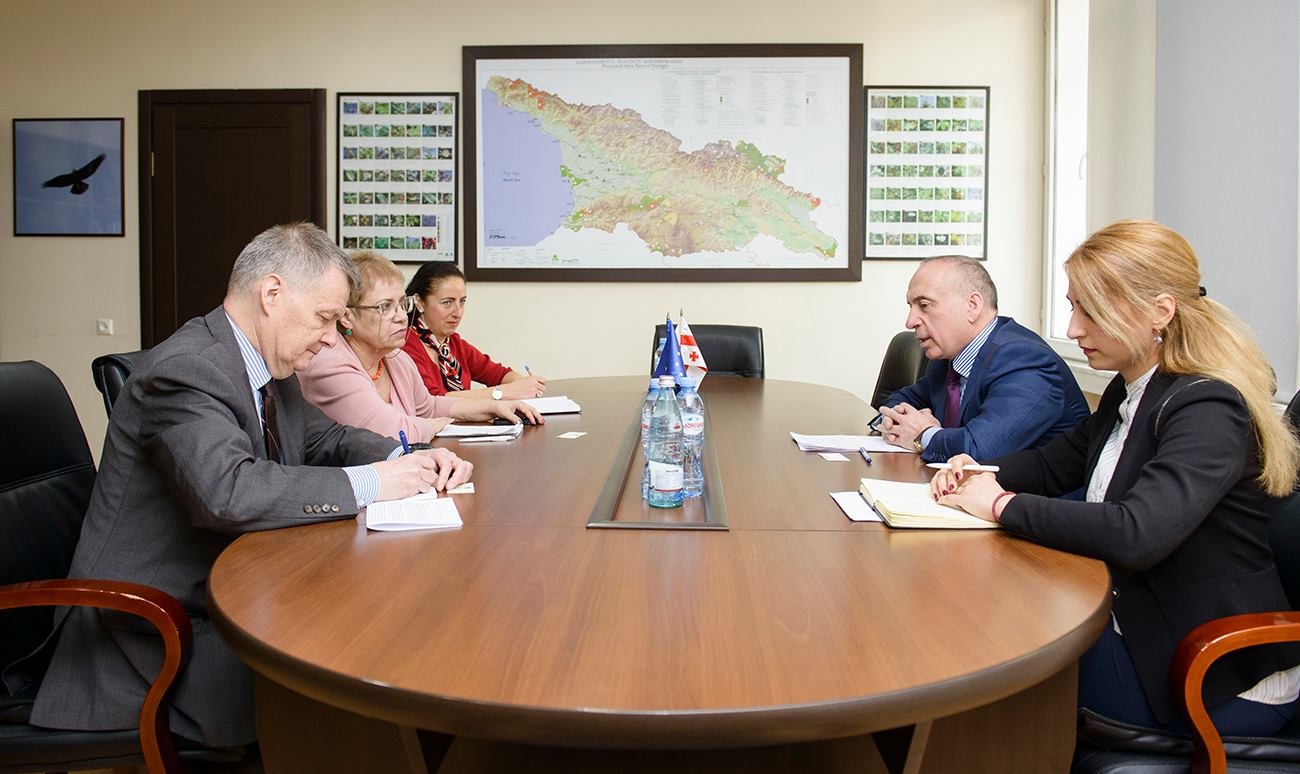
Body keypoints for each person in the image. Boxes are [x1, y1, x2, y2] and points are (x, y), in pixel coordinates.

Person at [11, 223, 472, 748]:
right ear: (272, 294)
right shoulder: (186, 369)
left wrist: (409, 458)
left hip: (240, 589)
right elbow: (229, 493)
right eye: (324, 318)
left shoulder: (270, 366)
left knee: (399, 633)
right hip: (154, 634)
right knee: (372, 660)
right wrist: (375, 482)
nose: (332, 337)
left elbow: (329, 438)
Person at [932, 220, 1300, 736]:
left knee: (986, 667)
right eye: (1073, 307)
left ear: (1160, 312)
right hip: (1138, 619)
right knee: (972, 632)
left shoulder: (1207, 406)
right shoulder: (1131, 390)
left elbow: (1136, 532)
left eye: (1091, 310)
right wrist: (977, 470)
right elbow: (1052, 465)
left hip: (1205, 670)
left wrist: (998, 504)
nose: (1074, 329)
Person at [300, 251, 543, 442]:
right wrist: (436, 425)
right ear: (347, 316)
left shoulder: (396, 357)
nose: (400, 317)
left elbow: (429, 405)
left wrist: (493, 408)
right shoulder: (329, 362)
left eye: (401, 304)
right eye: (385, 307)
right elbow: (392, 430)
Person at [877, 254, 1089, 462]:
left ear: (972, 306)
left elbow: (979, 450)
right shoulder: (948, 356)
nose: (910, 321)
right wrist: (895, 420)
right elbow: (902, 400)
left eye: (924, 305)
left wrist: (922, 434)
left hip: (1021, 486)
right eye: (911, 307)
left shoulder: (1024, 359)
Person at [402, 261, 547, 399]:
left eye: (462, 301)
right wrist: (503, 392)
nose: (458, 312)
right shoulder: (406, 344)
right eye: (447, 302)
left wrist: (523, 385)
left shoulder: (453, 343)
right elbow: (433, 401)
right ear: (419, 302)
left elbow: (500, 374)